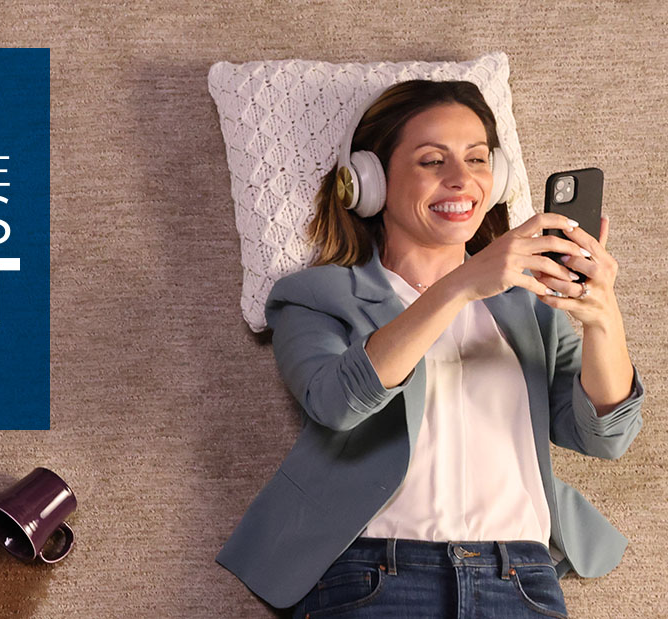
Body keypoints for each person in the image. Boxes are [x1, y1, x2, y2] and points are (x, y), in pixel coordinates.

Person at [215, 80, 646, 618]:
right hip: (373, 577)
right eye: (432, 160)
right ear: (371, 183)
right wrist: (463, 283)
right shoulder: (314, 297)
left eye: (476, 159)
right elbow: (337, 403)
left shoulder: (530, 306)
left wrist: (604, 317)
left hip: (521, 580)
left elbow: (606, 436)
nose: (461, 179)